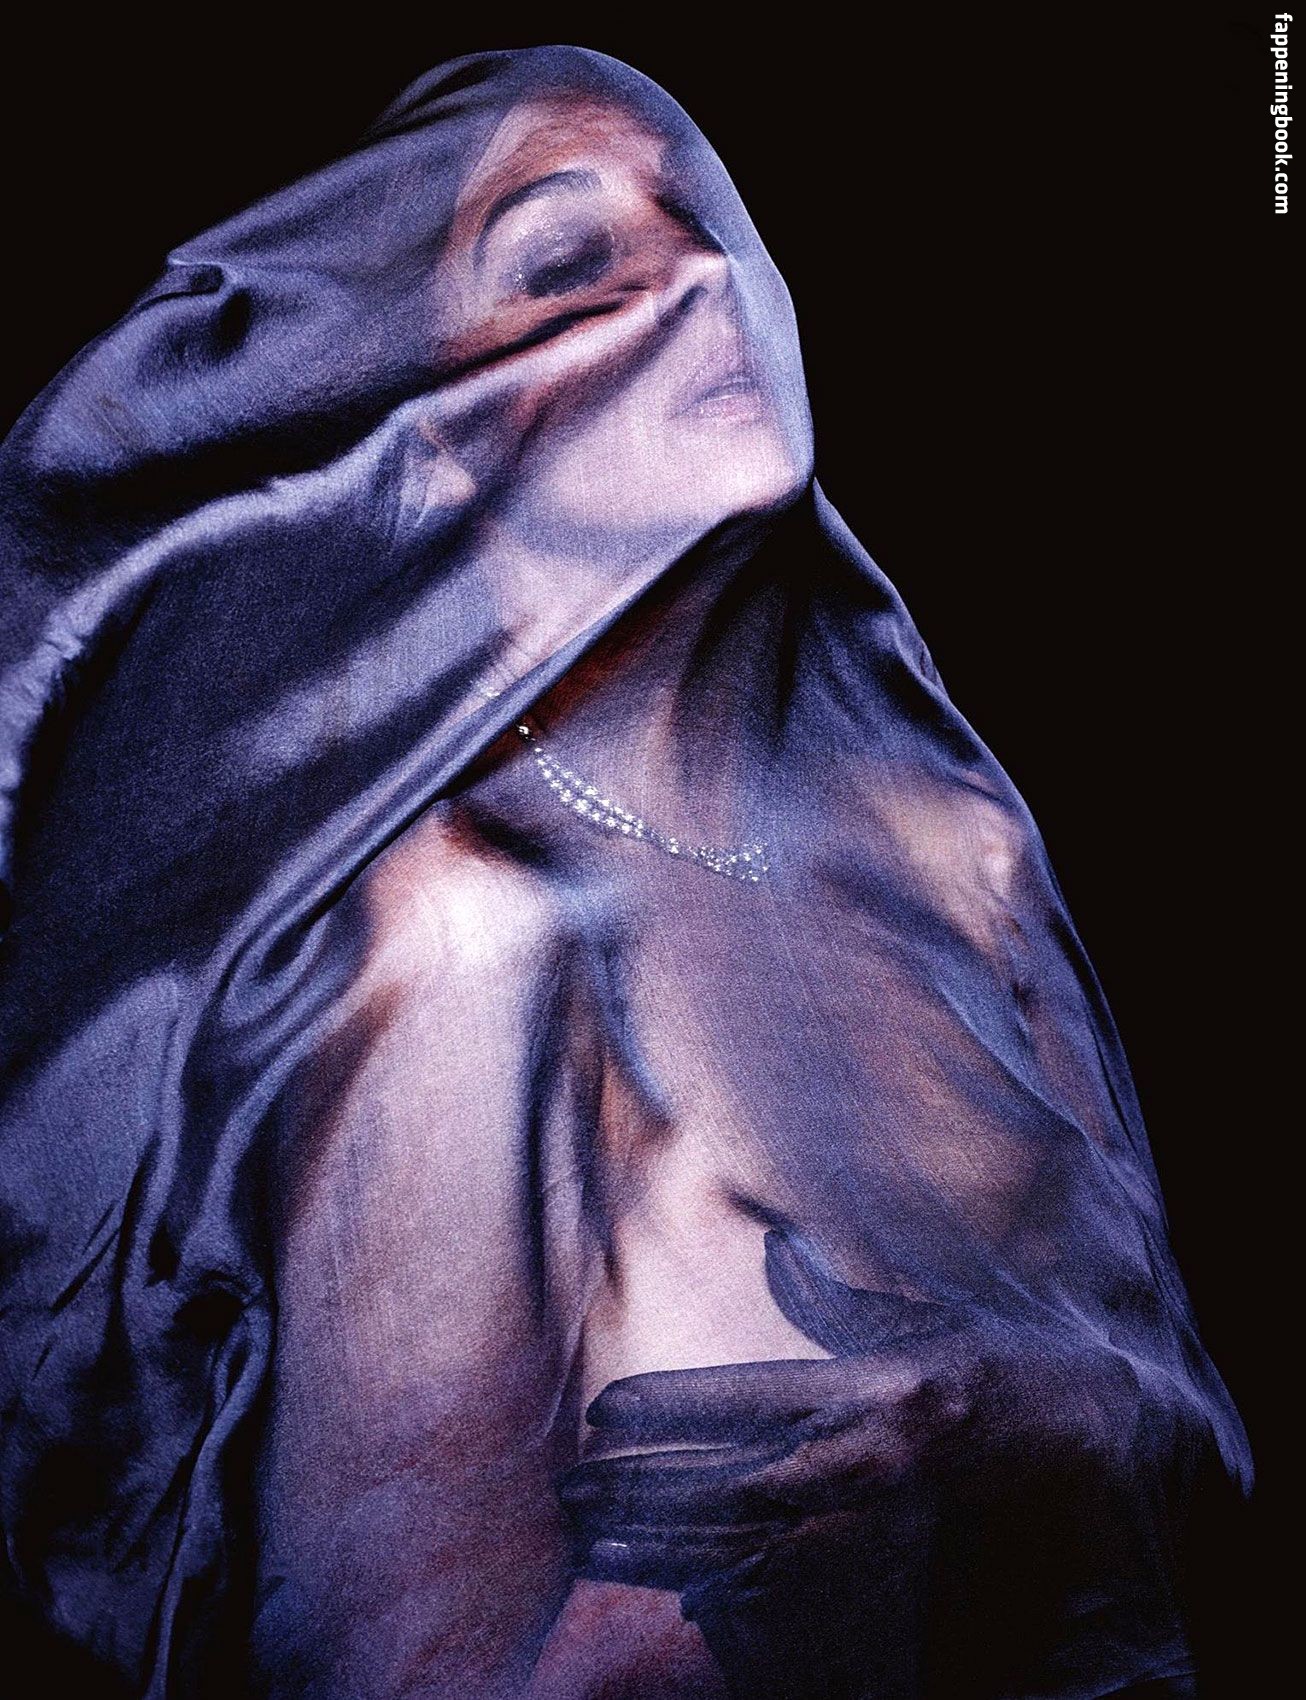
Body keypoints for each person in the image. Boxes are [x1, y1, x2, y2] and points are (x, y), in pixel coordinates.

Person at [0, 44, 1251, 1700]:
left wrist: (992, 1428)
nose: (695, 276)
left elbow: (1205, 1480)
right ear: (438, 437)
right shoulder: (461, 940)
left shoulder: (958, 851)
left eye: (697, 215)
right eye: (562, 260)